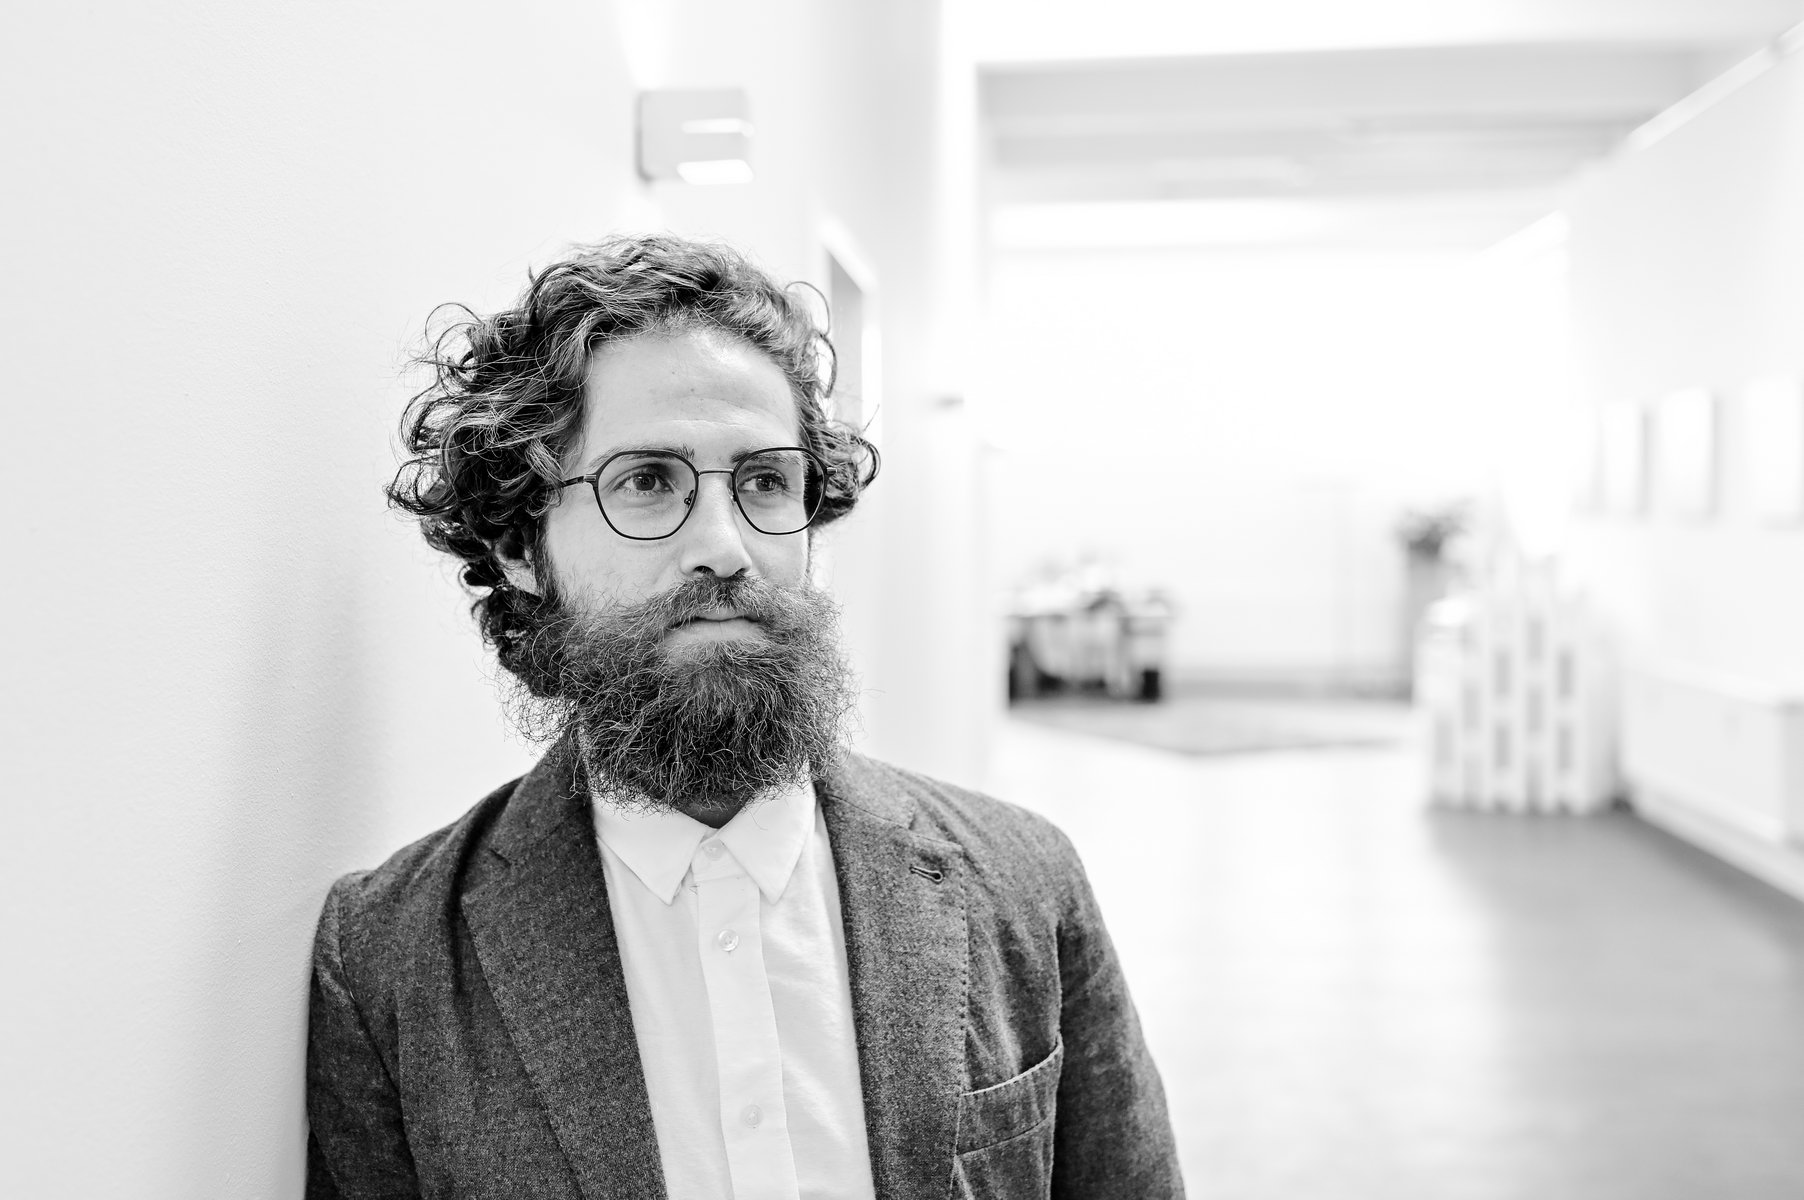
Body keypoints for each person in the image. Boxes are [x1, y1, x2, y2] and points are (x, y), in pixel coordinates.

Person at [305, 234, 1183, 1199]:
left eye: (765, 481)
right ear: (521, 543)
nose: (725, 548)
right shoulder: (389, 959)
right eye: (648, 481)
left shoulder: (1024, 882)